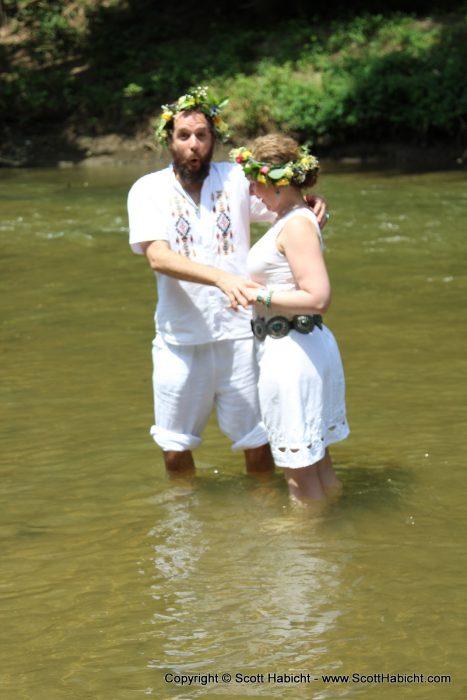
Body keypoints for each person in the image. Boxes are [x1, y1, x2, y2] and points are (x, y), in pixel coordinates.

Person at [127, 86, 328, 478]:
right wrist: (221, 277)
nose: (193, 145)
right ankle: (186, 528)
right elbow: (158, 256)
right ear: (169, 141)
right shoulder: (147, 190)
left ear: (214, 140)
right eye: (184, 136)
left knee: (257, 442)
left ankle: (261, 519)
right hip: (179, 339)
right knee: (174, 446)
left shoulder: (237, 179)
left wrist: (313, 204)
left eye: (202, 135)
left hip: (241, 334)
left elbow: (282, 207)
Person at [230, 134, 350, 503]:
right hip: (299, 347)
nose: (251, 190)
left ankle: (303, 549)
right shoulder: (293, 218)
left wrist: (257, 294)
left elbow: (318, 297)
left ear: (276, 182)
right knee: (317, 462)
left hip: (294, 352)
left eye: (254, 181)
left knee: (298, 472)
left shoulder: (295, 224)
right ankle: (331, 535)